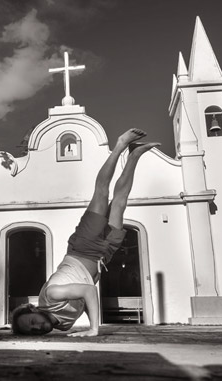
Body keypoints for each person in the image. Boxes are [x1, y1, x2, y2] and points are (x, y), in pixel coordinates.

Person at [12, 128, 159, 337]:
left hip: (83, 247)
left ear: (34, 309)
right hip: (103, 256)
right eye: (33, 330)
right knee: (119, 203)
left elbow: (89, 291)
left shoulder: (53, 295)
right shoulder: (61, 325)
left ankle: (120, 145)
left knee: (102, 191)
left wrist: (93, 329)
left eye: (32, 321)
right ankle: (135, 154)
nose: (37, 327)